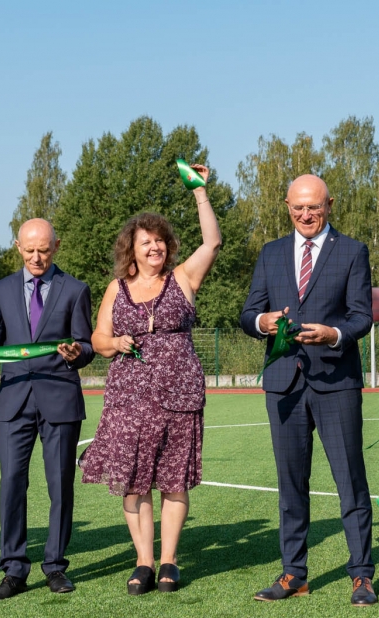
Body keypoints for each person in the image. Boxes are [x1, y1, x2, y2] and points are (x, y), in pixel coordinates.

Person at [82, 164, 221, 595]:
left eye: (160, 240)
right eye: (146, 242)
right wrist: (115, 342)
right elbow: (97, 338)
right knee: (133, 478)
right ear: (133, 249)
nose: (155, 247)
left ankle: (168, 561)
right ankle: (142, 560)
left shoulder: (183, 279)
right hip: (127, 396)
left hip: (178, 392)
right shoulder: (115, 288)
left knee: (173, 480)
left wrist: (199, 191)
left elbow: (213, 241)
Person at [239, 174, 376, 605]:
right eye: (297, 208)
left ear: (329, 205)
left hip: (336, 381)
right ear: (286, 206)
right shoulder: (271, 253)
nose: (305, 215)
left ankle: (362, 575)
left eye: (313, 207)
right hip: (284, 385)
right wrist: (262, 323)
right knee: (290, 484)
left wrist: (333, 333)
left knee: (349, 480)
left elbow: (361, 317)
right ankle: (294, 573)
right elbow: (248, 313)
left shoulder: (352, 251)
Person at [0, 218, 94, 600]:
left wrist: (76, 353)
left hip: (60, 400)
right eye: (30, 249)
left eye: (45, 250)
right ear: (18, 246)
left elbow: (85, 344)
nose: (37, 257)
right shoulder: (1, 289)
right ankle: (14, 570)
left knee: (60, 487)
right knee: (12, 485)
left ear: (57, 246)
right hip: (14, 400)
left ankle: (55, 566)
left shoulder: (75, 289)